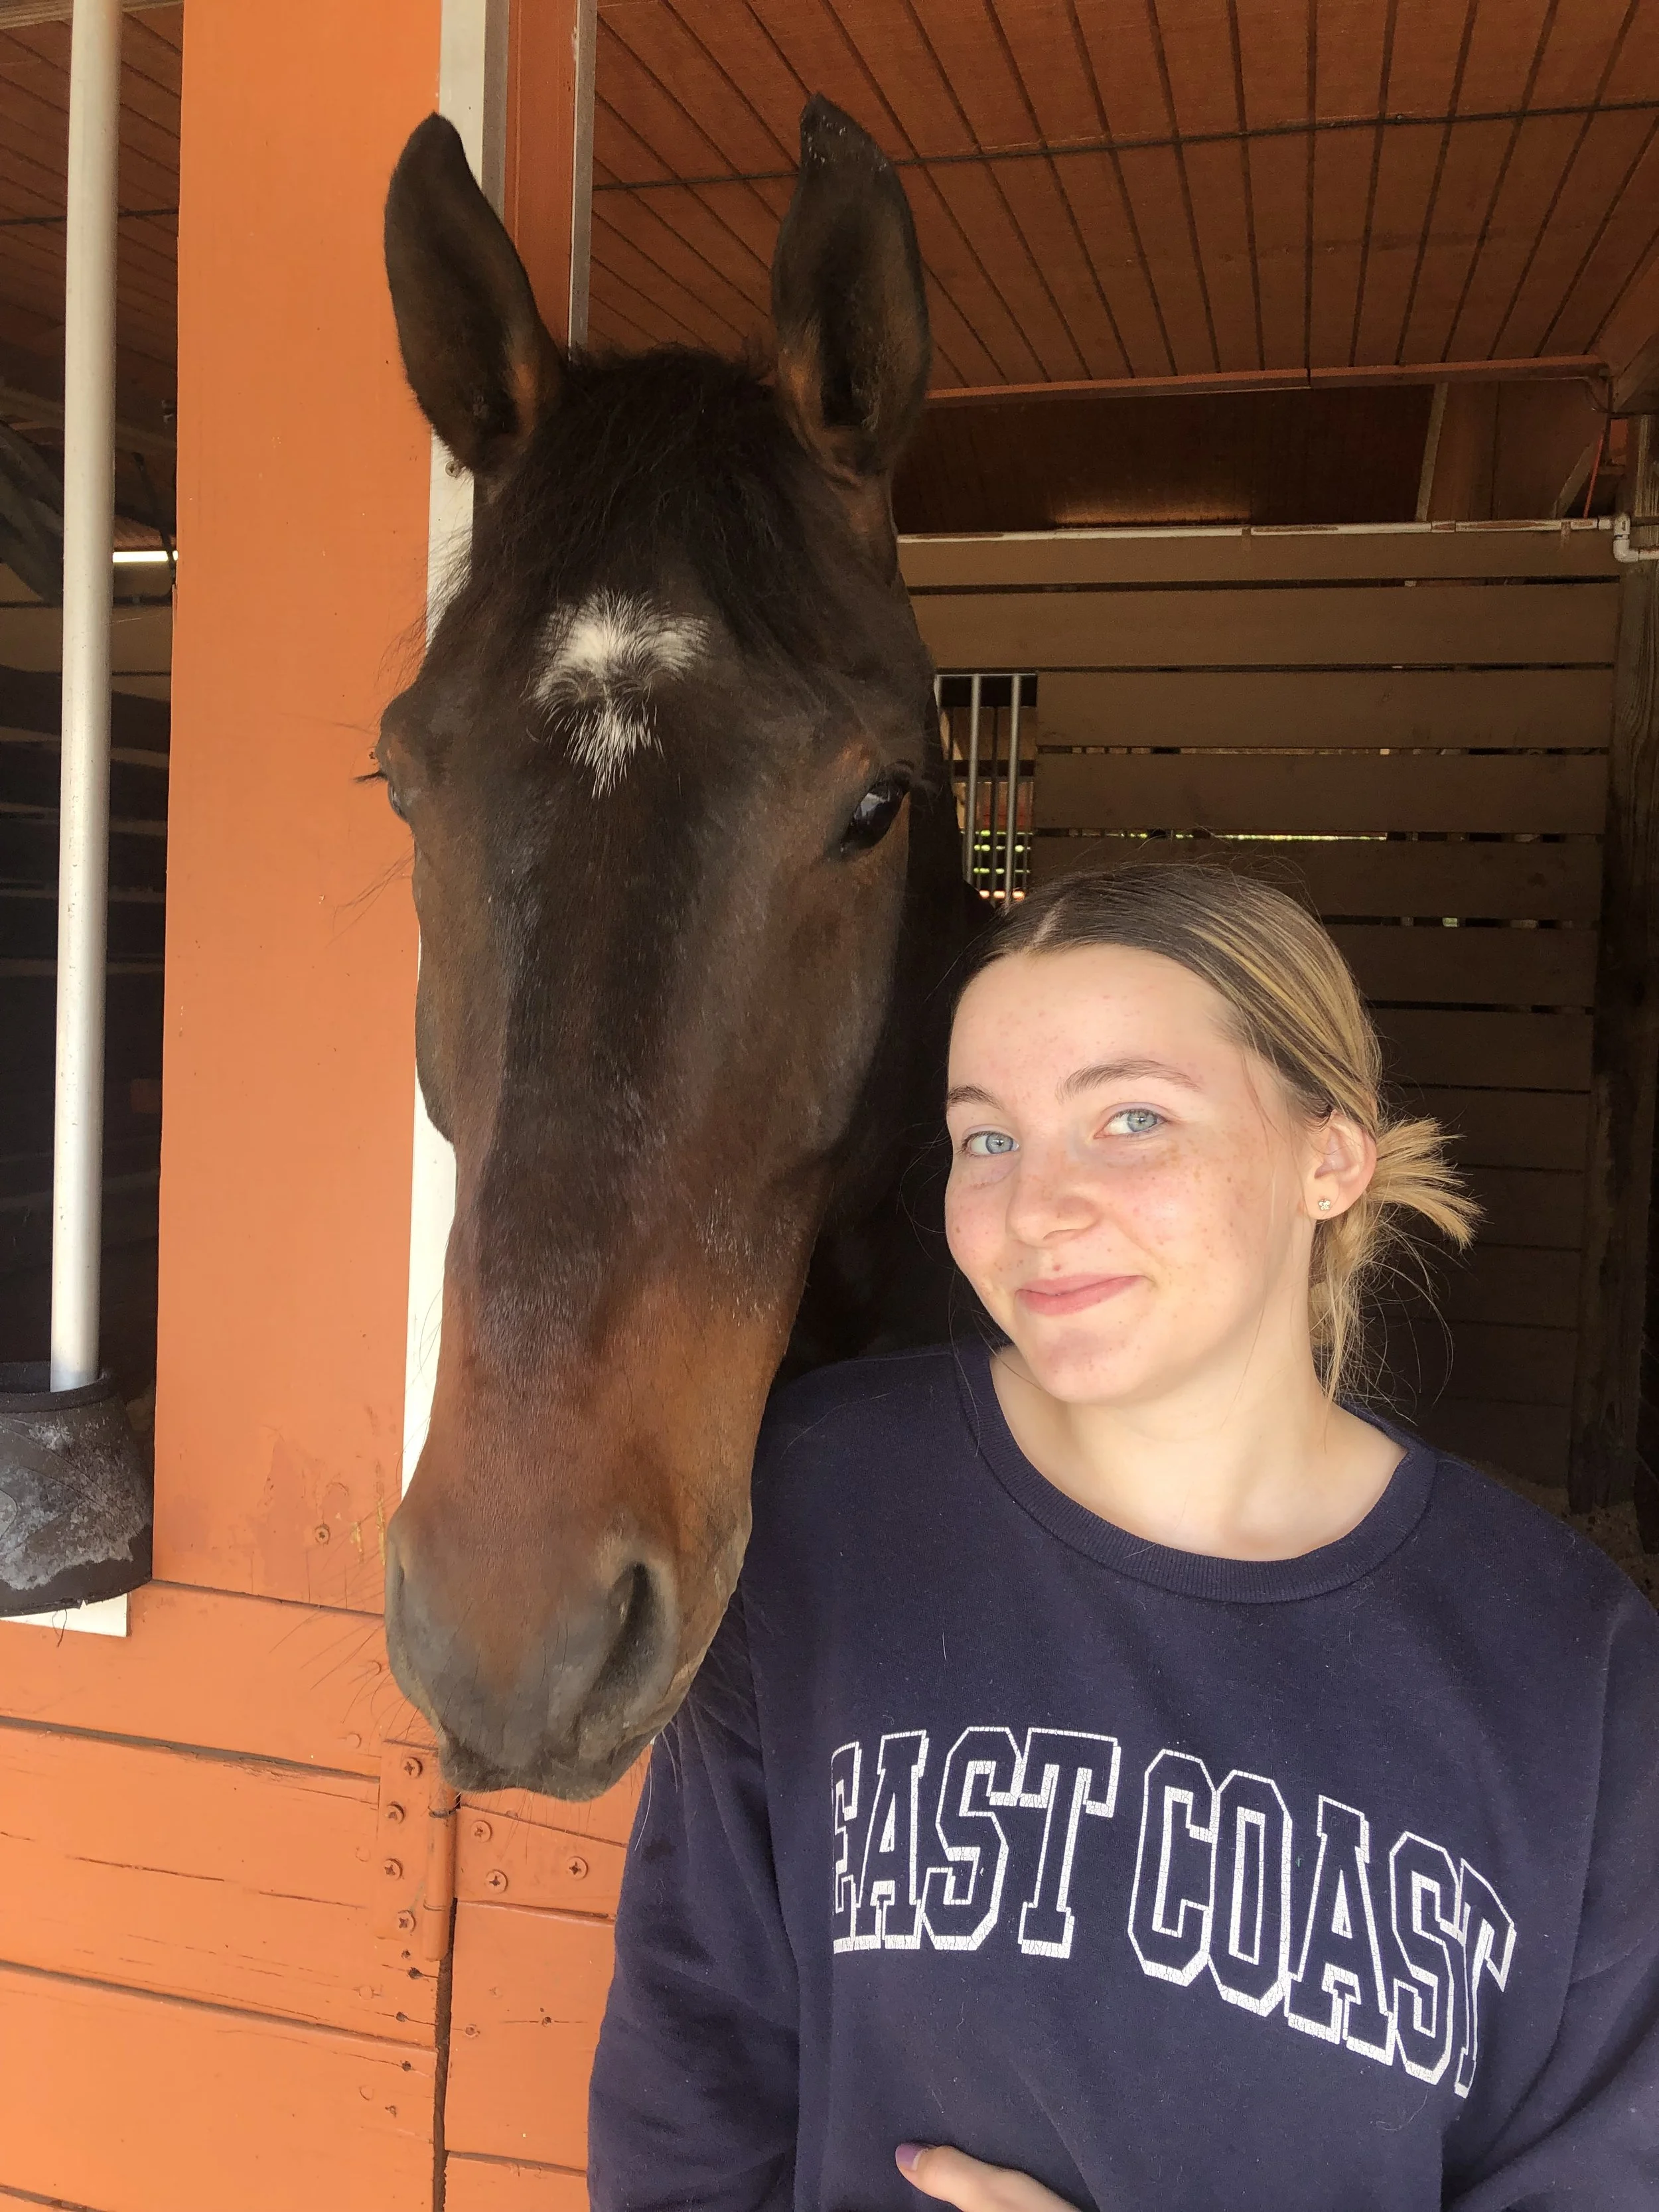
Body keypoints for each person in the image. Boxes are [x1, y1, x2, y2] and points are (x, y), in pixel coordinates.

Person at [587, 861, 1659, 2211]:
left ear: (1327, 1157)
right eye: (986, 1139)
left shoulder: (1574, 1669)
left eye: (1131, 1118)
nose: (1033, 1208)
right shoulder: (823, 1504)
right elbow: (691, 2080)